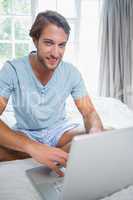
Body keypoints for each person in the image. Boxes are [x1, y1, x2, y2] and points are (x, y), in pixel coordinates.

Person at [0, 10, 104, 176]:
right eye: (49, 43)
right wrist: (32, 147)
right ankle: (50, 152)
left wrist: (95, 132)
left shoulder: (71, 72)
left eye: (61, 45)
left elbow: (89, 111)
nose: (56, 53)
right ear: (35, 40)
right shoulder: (11, 69)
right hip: (26, 133)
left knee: (107, 133)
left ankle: (50, 152)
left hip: (60, 132)